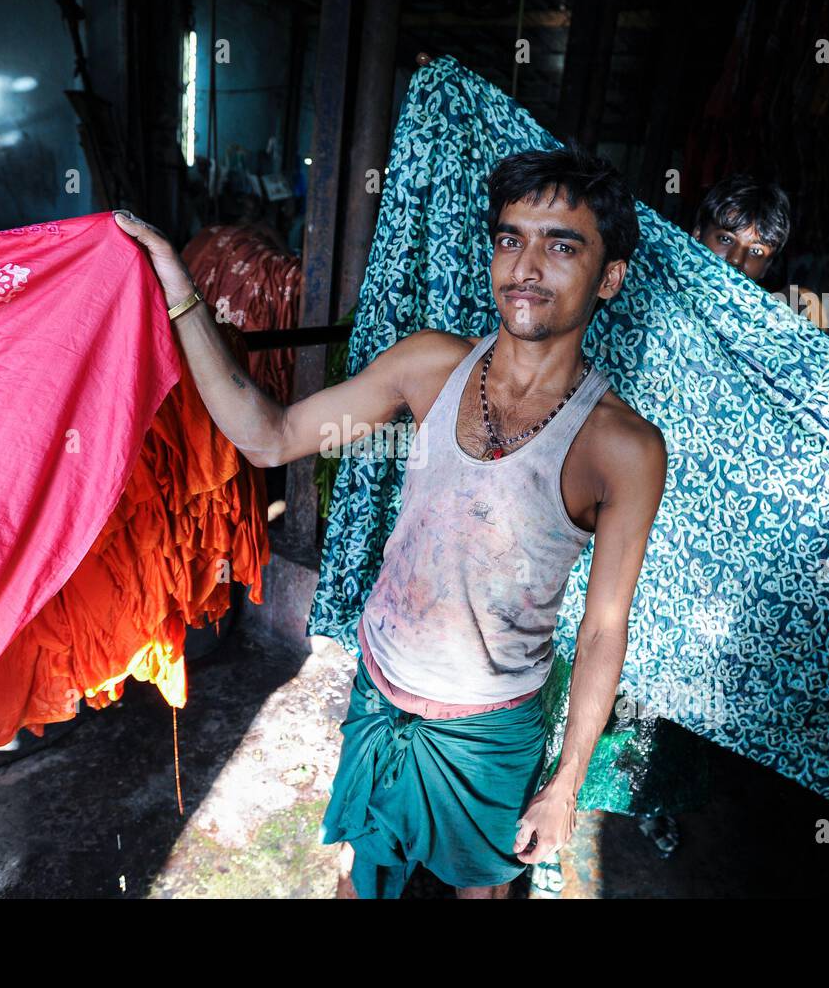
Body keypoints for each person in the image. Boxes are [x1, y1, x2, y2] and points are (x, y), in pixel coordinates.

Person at [113, 142, 667, 899]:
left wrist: (566, 783)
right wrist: (177, 286)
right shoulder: (428, 366)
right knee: (360, 878)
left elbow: (604, 628)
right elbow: (269, 434)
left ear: (610, 277)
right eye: (511, 239)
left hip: (490, 729)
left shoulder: (622, 447)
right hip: (381, 687)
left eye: (561, 245)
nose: (526, 265)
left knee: (481, 889)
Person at [692, 173, 828, 329]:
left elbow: (795, 302)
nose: (736, 259)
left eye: (756, 251)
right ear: (697, 236)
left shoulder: (759, 326)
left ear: (767, 266)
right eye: (726, 239)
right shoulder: (662, 291)